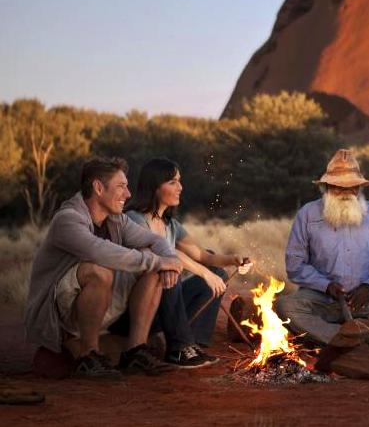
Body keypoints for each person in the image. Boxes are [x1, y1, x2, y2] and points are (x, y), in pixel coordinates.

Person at [25, 157, 183, 380]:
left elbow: (155, 241)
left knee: (152, 265)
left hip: (100, 302)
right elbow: (101, 251)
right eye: (121, 186)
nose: (128, 194)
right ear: (98, 188)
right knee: (99, 269)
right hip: (59, 314)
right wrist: (159, 262)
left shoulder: (116, 220)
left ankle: (135, 351)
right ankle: (88, 356)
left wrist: (168, 262)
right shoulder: (68, 219)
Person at [127, 157, 251, 367]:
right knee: (169, 269)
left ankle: (193, 343)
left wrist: (233, 259)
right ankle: (178, 347)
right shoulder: (133, 219)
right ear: (155, 187)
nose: (180, 187)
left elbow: (203, 256)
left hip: (163, 308)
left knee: (217, 272)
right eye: (172, 182)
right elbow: (162, 256)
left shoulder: (171, 225)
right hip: (136, 307)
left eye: (180, 181)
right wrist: (204, 273)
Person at [276, 149, 369, 344]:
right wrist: (326, 286)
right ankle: (344, 340)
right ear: (325, 187)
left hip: (364, 301)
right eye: (338, 187)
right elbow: (295, 264)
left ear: (360, 188)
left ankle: (339, 337)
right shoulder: (307, 214)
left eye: (352, 187)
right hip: (320, 298)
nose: (345, 192)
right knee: (286, 306)